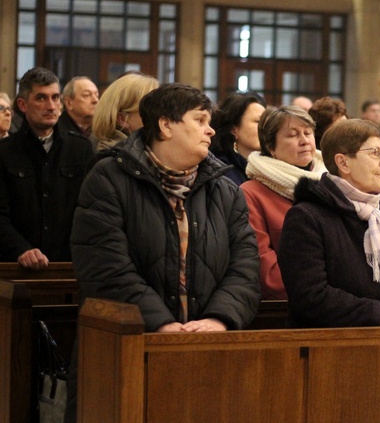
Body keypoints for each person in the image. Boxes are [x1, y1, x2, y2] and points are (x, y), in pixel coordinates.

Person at [68, 83, 260, 423]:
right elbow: (104, 266)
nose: (210, 129)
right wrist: (162, 324)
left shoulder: (225, 190)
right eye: (199, 119)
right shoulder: (109, 178)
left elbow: (245, 266)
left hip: (207, 350)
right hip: (126, 351)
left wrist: (218, 319)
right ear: (165, 125)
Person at [278, 119, 380, 328]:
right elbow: (310, 295)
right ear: (343, 163)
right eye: (375, 153)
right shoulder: (307, 217)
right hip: (329, 347)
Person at [0, 67, 93, 268]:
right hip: (15, 267)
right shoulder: (4, 152)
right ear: (23, 104)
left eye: (55, 97)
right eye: (41, 98)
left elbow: (89, 210)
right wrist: (20, 249)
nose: (51, 106)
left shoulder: (81, 149)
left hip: (68, 266)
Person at [241, 105, 327, 299]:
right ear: (271, 147)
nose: (304, 141)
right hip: (287, 304)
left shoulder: (332, 184)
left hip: (338, 301)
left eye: (308, 133)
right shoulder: (251, 193)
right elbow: (265, 269)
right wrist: (320, 290)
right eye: (293, 135)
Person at [92, 72, 159, 151]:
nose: (159, 115)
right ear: (123, 119)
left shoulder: (147, 150)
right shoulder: (115, 159)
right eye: (150, 109)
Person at [210, 92, 266, 185]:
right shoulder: (220, 171)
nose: (265, 127)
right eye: (258, 121)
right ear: (233, 129)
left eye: (267, 122)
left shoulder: (271, 167)